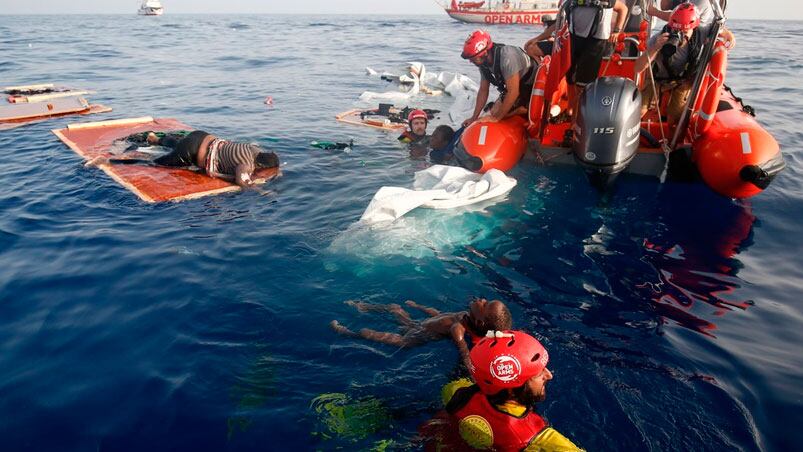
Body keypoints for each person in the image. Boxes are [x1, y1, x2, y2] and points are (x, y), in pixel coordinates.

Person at [424, 330, 583, 451]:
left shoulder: (456, 392)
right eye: (538, 374)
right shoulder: (532, 436)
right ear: (511, 391)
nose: (549, 375)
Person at [330, 298, 512, 371]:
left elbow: (464, 353)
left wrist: (472, 371)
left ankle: (347, 333)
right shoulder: (466, 316)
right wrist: (419, 307)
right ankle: (363, 307)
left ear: (479, 321)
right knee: (395, 308)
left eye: (485, 305)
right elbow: (439, 315)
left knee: (368, 333)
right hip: (418, 325)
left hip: (413, 338)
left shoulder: (458, 329)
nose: (482, 300)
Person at [87, 130, 279, 187]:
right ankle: (108, 161)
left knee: (176, 144)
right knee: (157, 164)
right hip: (192, 153)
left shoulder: (254, 149)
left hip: (202, 136)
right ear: (260, 165)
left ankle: (154, 138)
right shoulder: (246, 165)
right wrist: (257, 186)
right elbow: (242, 183)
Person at [635, 2, 704, 126]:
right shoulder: (659, 38)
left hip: (683, 81)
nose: (679, 35)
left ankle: (673, 143)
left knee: (676, 118)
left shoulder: (700, 34)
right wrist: (655, 48)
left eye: (684, 31)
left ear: (693, 27)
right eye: (676, 29)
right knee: (639, 111)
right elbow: (638, 68)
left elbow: (719, 29)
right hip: (657, 78)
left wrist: (728, 36)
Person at [460, 30, 538, 127]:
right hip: (518, 85)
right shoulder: (483, 63)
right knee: (494, 111)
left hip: (532, 85)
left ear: (485, 52)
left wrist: (496, 118)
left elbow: (513, 92)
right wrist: (474, 118)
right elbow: (483, 90)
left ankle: (524, 109)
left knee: (498, 114)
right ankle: (519, 109)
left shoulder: (508, 56)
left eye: (473, 58)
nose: (471, 61)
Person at [566, 0, 629, 115]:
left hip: (596, 41)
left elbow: (623, 9)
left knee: (583, 84)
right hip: (574, 37)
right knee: (570, 77)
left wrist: (617, 31)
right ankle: (569, 110)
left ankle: (576, 121)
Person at [648, 0, 714, 33]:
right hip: (676, 31)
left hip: (691, 37)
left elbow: (680, 20)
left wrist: (655, 12)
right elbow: (664, 6)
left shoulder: (702, 1)